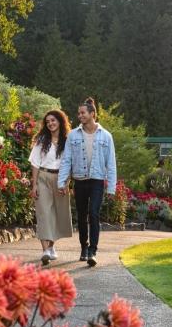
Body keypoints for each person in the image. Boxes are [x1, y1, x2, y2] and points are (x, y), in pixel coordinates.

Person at [58, 97, 117, 267]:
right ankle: (83, 247)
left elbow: (111, 163)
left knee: (94, 213)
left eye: (83, 112)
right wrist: (62, 182)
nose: (80, 115)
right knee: (82, 216)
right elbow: (66, 160)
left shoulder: (106, 136)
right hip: (80, 181)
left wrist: (111, 188)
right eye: (79, 113)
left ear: (92, 114)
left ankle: (93, 251)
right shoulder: (73, 135)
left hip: (97, 181)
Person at [29, 109, 73, 265]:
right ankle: (45, 250)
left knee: (58, 214)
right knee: (43, 213)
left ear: (60, 121)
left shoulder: (68, 140)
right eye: (47, 122)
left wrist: (67, 182)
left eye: (53, 120)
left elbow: (70, 164)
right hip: (43, 177)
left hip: (61, 179)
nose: (50, 124)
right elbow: (34, 163)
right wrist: (34, 185)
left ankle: (51, 247)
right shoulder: (42, 140)